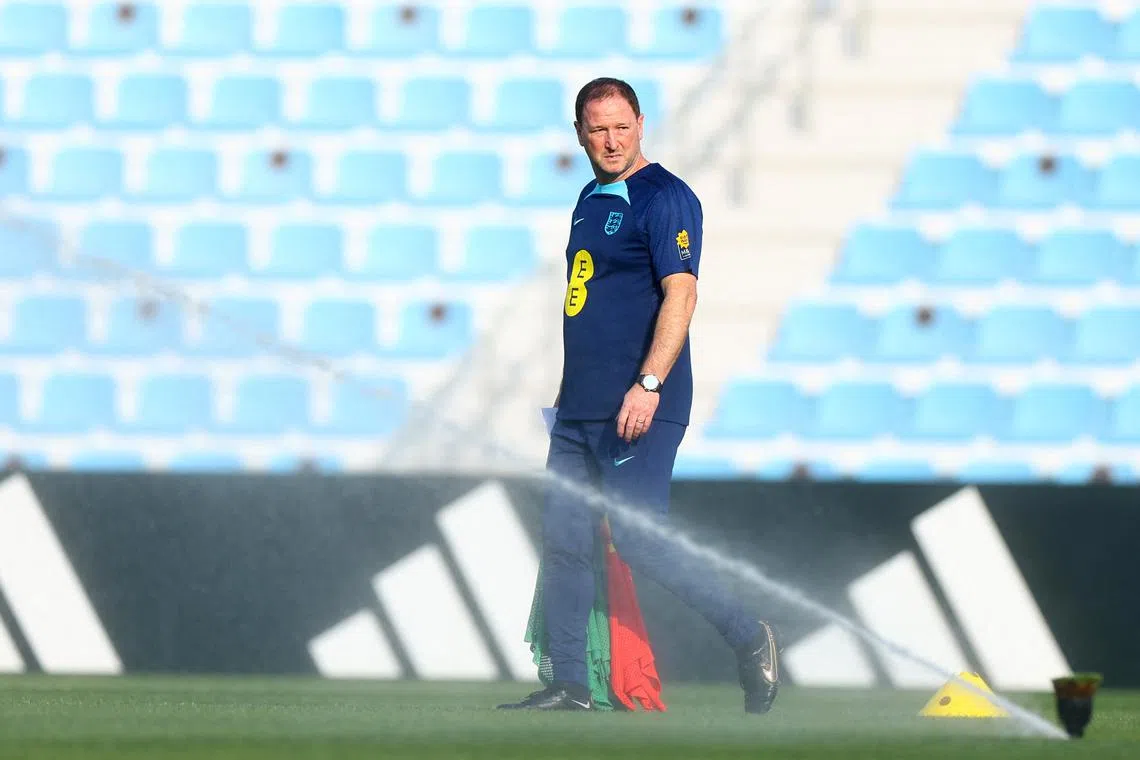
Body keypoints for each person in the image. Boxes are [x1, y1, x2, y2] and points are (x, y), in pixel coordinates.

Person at [498, 78, 780, 714]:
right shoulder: (588, 198)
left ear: (641, 125)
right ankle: (571, 685)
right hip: (579, 408)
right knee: (563, 539)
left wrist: (648, 383)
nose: (610, 140)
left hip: (640, 402)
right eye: (597, 128)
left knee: (639, 539)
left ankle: (748, 636)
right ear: (578, 133)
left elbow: (681, 293)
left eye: (621, 126)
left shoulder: (666, 197)